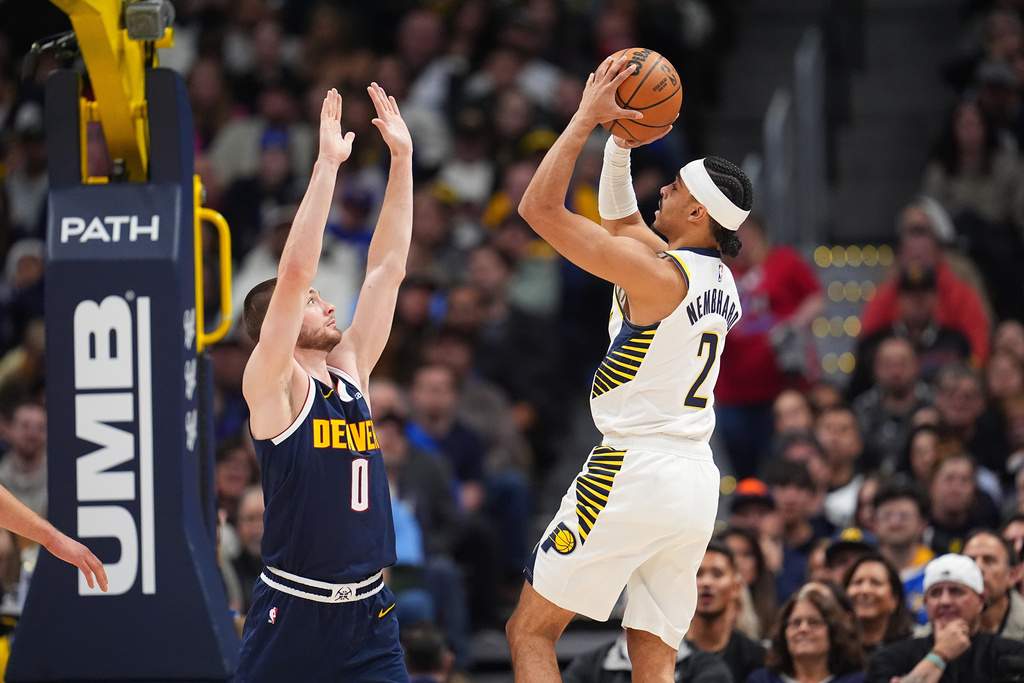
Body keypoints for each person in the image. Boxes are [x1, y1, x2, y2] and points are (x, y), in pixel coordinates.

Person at [506, 53, 753, 682]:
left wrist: (586, 117)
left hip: (632, 467)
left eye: (677, 188)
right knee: (652, 650)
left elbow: (538, 210)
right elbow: (621, 221)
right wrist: (619, 148)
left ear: (699, 215)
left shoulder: (656, 274)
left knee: (530, 630)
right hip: (695, 482)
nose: (663, 187)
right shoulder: (714, 276)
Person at [235, 85, 414, 682]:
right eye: (312, 303)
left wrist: (402, 162)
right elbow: (292, 273)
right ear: (276, 328)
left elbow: (387, 269)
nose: (326, 304)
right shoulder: (275, 384)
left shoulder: (352, 371)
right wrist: (326, 166)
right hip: (295, 611)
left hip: (369, 613)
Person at [866, 553, 1024, 682]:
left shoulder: (1012, 655)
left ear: (981, 600)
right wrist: (939, 655)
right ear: (926, 603)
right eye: (935, 593)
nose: (945, 601)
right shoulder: (891, 657)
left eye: (956, 591)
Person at [745, 585, 865, 683]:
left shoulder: (856, 680)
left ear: (834, 632)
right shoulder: (761, 680)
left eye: (814, 622)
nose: (803, 629)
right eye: (796, 623)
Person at [685, 540, 767, 683]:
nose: (706, 582)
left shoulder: (757, 658)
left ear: (736, 587)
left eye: (717, 574)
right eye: (698, 574)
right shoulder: (668, 650)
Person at [842, 553, 914, 655]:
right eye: (857, 582)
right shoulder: (832, 653)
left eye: (875, 582)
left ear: (894, 600)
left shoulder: (911, 652)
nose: (865, 590)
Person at [962, 529, 1024, 640]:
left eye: (989, 560)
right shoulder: (936, 631)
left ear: (1012, 576)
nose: (978, 568)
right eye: (970, 560)